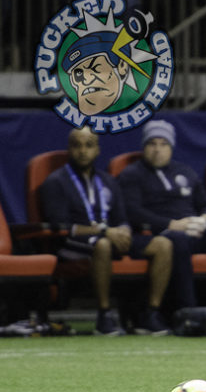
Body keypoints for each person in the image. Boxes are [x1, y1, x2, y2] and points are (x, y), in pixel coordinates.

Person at [40, 126, 174, 336]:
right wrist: (105, 232)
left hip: (110, 237)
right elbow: (61, 226)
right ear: (69, 149)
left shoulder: (108, 181)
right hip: (72, 243)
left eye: (89, 145)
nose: (83, 151)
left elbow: (121, 219)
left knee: (163, 244)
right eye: (77, 146)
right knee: (101, 244)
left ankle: (151, 313)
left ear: (98, 150)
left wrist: (124, 232)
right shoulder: (56, 182)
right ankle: (104, 314)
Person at [118, 120, 206, 308]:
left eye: (164, 144)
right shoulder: (131, 174)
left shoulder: (185, 171)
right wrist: (172, 225)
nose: (157, 149)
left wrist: (204, 219)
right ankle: (188, 310)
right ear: (144, 146)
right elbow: (133, 211)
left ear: (171, 147)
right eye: (152, 144)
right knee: (179, 242)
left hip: (197, 229)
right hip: (163, 233)